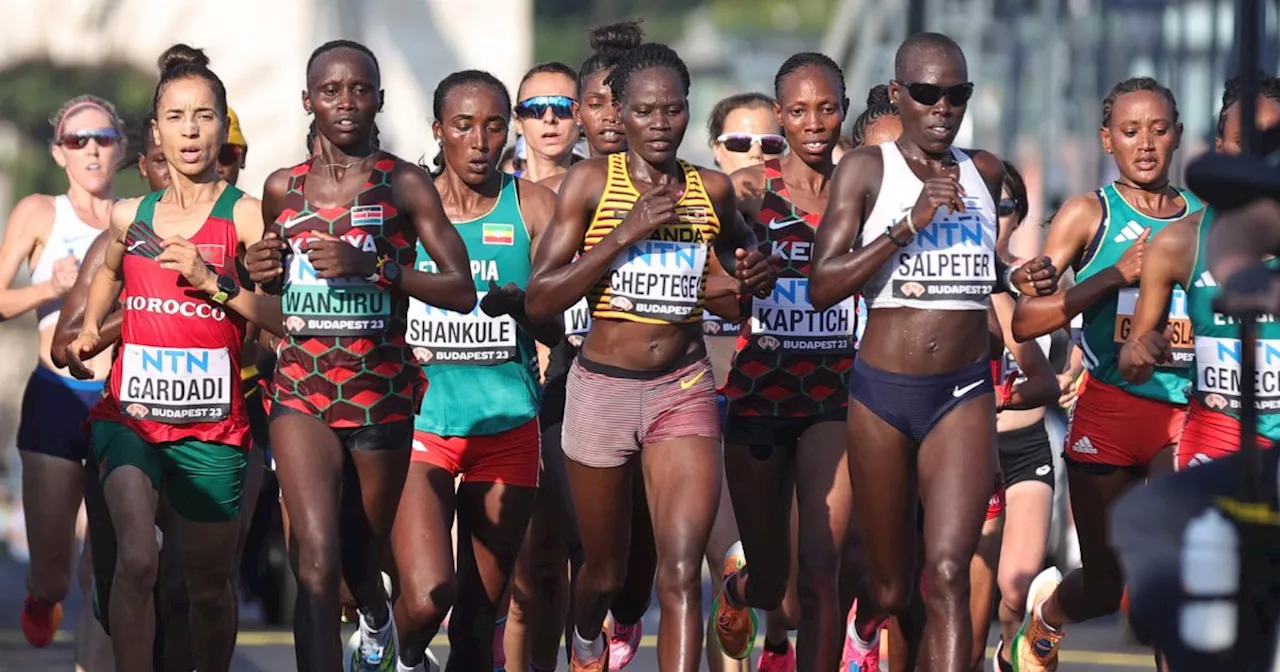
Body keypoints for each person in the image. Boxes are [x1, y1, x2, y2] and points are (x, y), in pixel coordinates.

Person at [524, 42, 776, 672]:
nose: (660, 123)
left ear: (688, 112)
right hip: (602, 389)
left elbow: (746, 265)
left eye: (673, 109)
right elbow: (540, 297)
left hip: (682, 387)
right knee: (605, 574)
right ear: (622, 115)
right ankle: (586, 639)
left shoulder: (709, 188)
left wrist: (755, 272)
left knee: (682, 568)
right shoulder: (589, 183)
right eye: (645, 110)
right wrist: (625, 232)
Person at [809, 32, 1053, 671]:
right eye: (926, 93)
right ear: (899, 94)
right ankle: (873, 632)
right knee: (891, 586)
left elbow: (983, 268)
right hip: (883, 397)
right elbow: (823, 285)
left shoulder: (986, 171)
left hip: (963, 396)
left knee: (947, 573)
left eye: (957, 94)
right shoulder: (866, 170)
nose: (943, 107)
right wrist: (906, 225)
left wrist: (1016, 278)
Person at [242, 39, 475, 672]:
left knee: (357, 556)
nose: (345, 103)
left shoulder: (403, 182)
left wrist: (372, 265)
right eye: (330, 90)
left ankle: (376, 617)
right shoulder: (281, 187)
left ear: (379, 97)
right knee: (314, 563)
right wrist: (257, 267)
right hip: (299, 391)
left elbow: (460, 288)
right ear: (308, 101)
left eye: (359, 89)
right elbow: (271, 283)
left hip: (379, 396)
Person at [67, 44, 286, 671]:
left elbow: (283, 319)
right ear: (156, 132)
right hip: (129, 418)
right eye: (177, 117)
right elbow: (110, 271)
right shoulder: (129, 215)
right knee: (137, 559)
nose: (190, 130)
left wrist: (212, 281)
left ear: (222, 124)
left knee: (208, 590)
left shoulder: (243, 216)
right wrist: (89, 330)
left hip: (213, 427)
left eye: (205, 116)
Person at [1007, 76, 1203, 669]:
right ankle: (1047, 616)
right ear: (1107, 140)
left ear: (1178, 137)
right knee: (1103, 586)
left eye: (1159, 129)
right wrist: (1114, 275)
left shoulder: (1202, 221)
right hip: (1109, 411)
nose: (1145, 144)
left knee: (1179, 578)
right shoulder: (1089, 212)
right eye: (1129, 131)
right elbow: (1025, 320)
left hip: (1185, 413)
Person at [390, 69, 560, 672]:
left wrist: (526, 307)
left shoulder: (534, 207)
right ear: (438, 131)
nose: (480, 142)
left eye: (493, 125)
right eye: (463, 126)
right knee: (427, 594)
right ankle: (400, 655)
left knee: (476, 617)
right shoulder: (405, 210)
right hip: (422, 426)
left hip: (508, 426)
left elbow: (559, 327)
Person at [513, 20, 654, 672]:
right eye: (588, 105)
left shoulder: (673, 185)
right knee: (567, 550)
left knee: (635, 568)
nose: (602, 118)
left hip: (655, 386)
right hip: (567, 382)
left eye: (613, 105)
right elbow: (538, 300)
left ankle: (612, 623)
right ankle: (577, 650)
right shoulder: (556, 195)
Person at [713, 53, 852, 672]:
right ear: (779, 117)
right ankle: (739, 593)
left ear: (843, 110)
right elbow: (705, 288)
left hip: (836, 396)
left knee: (821, 572)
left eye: (826, 109)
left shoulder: (867, 189)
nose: (815, 123)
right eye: (799, 111)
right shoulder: (747, 194)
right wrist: (741, 281)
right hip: (759, 396)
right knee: (775, 588)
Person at [0, 94, 121, 658]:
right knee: (53, 573)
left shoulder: (134, 215)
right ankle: (40, 594)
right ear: (59, 153)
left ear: (121, 149)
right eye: (79, 140)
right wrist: (51, 287)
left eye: (103, 138)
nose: (92, 149)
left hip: (119, 401)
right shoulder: (40, 212)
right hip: (55, 396)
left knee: (107, 568)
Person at [1119, 73, 1280, 470]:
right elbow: (1131, 364)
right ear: (1219, 147)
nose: (1255, 159)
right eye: (1244, 143)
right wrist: (1140, 354)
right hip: (1216, 437)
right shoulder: (1179, 243)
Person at [703, 90, 800, 672]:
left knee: (780, 584)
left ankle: (782, 644)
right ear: (715, 150)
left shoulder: (805, 217)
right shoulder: (687, 209)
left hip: (783, 404)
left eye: (770, 143)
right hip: (703, 405)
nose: (755, 154)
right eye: (740, 143)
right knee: (729, 562)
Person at [979, 162, 1061, 671]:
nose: (996, 217)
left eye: (1006, 207)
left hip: (1026, 445)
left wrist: (1076, 372)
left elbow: (1069, 353)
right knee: (967, 588)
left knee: (1019, 589)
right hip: (969, 449)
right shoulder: (955, 278)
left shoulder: (1040, 278)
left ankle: (1016, 654)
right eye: (985, 204)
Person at [514, 62, 581, 184]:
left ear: (581, 117)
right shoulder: (498, 194)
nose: (550, 118)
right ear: (518, 122)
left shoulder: (599, 192)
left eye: (563, 106)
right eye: (535, 107)